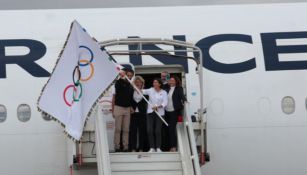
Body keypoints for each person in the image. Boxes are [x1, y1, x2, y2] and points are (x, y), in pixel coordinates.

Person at [142, 78, 168, 153]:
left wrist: (157, 106)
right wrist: (135, 86)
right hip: (150, 112)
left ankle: (158, 147)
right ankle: (152, 147)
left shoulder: (164, 92)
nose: (154, 83)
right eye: (154, 82)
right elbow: (141, 91)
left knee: (157, 131)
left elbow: (165, 103)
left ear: (159, 84)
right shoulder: (150, 90)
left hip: (160, 113)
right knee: (149, 130)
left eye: (156, 82)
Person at [112, 68, 134, 152]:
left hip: (127, 108)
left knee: (126, 129)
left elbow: (130, 97)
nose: (129, 77)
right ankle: (117, 146)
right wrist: (113, 109)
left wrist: (131, 106)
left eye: (130, 76)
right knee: (118, 128)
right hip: (118, 107)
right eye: (128, 75)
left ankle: (125, 146)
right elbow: (116, 93)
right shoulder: (119, 82)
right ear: (125, 75)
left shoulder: (131, 85)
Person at [165, 76, 187, 152]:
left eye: (173, 80)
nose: (171, 81)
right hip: (166, 112)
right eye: (170, 80)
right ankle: (168, 147)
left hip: (174, 112)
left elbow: (182, 96)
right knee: (166, 130)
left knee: (171, 129)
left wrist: (185, 101)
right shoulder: (166, 89)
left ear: (176, 82)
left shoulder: (178, 89)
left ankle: (173, 147)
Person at [129, 76, 148, 152]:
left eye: (139, 82)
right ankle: (133, 148)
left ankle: (141, 148)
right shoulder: (131, 92)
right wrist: (130, 107)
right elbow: (128, 101)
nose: (137, 83)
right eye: (136, 82)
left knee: (142, 131)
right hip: (133, 114)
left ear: (142, 83)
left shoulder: (145, 92)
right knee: (133, 131)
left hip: (142, 114)